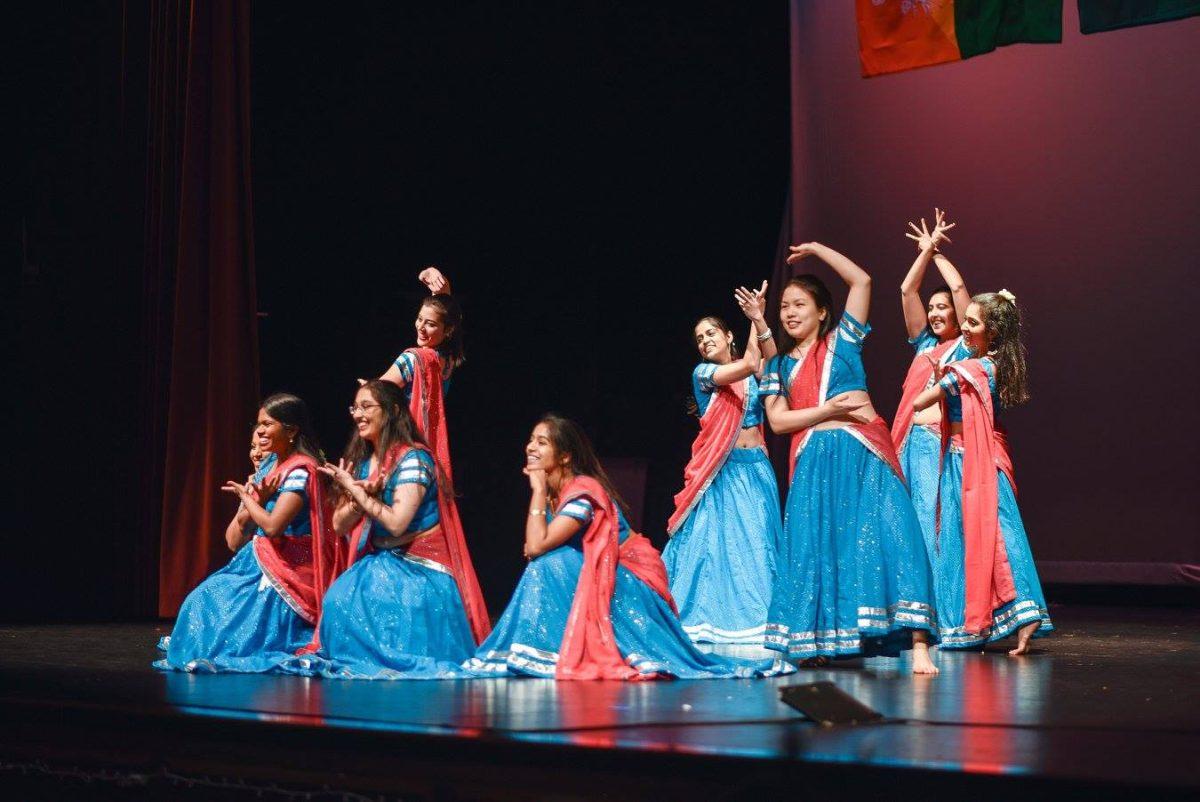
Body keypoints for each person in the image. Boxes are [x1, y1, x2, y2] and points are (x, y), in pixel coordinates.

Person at [465, 414, 788, 679]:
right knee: (553, 560)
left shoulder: (583, 490)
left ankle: (549, 649)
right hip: (602, 568)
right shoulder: (557, 492)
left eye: (542, 441)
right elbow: (534, 545)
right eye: (532, 439)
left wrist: (536, 492)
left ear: (565, 456)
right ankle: (550, 648)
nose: (531, 447)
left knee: (550, 562)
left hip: (633, 577)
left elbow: (535, 546)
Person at [760, 242, 939, 674]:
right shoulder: (779, 367)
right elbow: (780, 424)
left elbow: (862, 281)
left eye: (800, 304)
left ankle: (918, 644)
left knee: (897, 535)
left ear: (823, 312)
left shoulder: (844, 341)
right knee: (819, 548)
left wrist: (818, 250)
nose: (789, 312)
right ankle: (822, 640)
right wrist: (829, 411)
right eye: (784, 306)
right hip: (815, 461)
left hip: (864, 452)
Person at [284, 381, 484, 678]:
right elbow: (338, 525)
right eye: (355, 407)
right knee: (339, 599)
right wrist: (356, 499)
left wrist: (362, 495)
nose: (358, 415)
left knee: (395, 607)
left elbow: (396, 522)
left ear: (391, 411)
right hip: (381, 561)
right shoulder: (365, 461)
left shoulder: (414, 458)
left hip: (422, 569)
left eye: (366, 407)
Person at [912, 291, 1053, 655]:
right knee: (968, 537)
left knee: (1000, 534)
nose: (966, 329)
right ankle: (969, 622)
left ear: (992, 332)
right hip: (964, 457)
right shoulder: (983, 363)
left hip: (976, 459)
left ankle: (1022, 614)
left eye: (973, 323)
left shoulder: (975, 368)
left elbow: (919, 402)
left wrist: (939, 376)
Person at [155, 394, 337, 673]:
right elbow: (233, 541)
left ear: (291, 430)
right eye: (258, 424)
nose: (261, 431)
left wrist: (252, 500)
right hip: (255, 562)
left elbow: (275, 527)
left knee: (236, 620)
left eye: (268, 423)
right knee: (203, 598)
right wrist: (250, 502)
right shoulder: (267, 469)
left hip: (290, 569)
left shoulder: (301, 470)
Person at [662, 282, 782, 655]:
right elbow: (746, 364)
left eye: (711, 332)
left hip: (756, 469)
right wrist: (754, 318)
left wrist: (759, 321)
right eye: (699, 338)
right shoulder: (703, 375)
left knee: (759, 546)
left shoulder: (753, 373)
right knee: (712, 551)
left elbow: (772, 363)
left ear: (727, 335)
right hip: (722, 472)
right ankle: (709, 620)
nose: (704, 341)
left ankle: (762, 621)